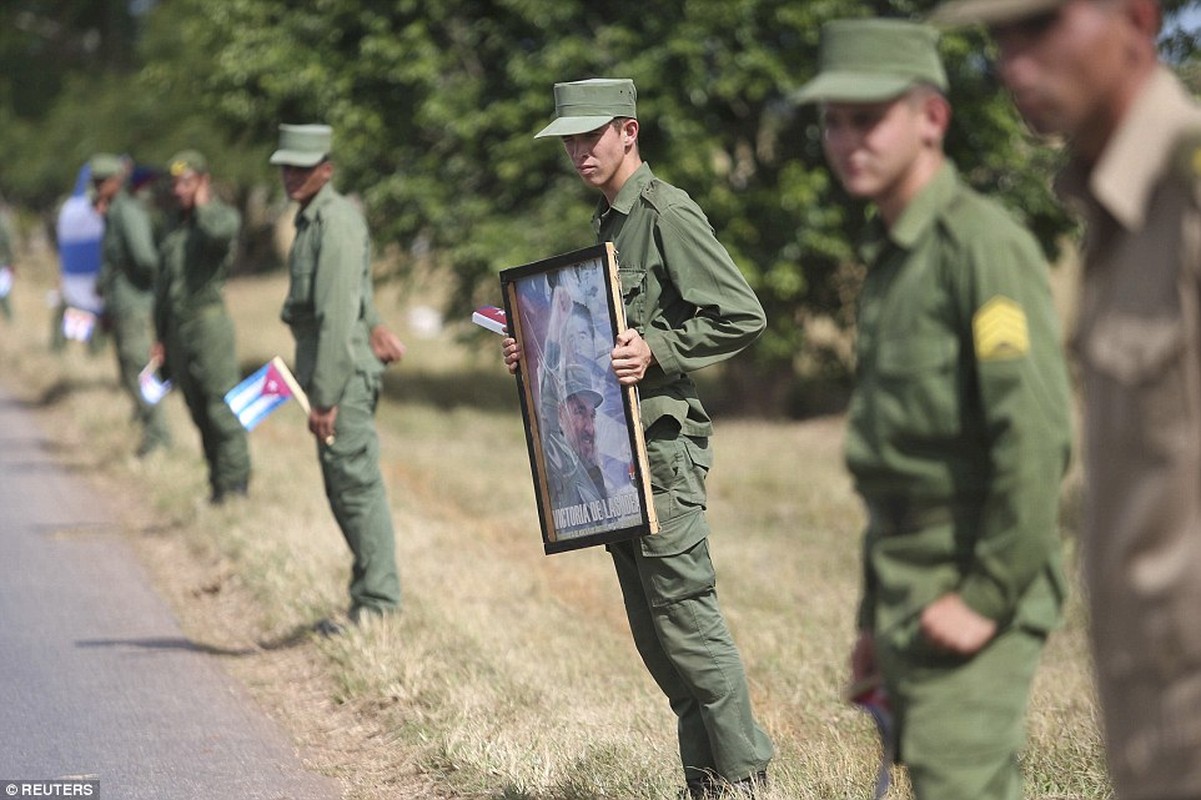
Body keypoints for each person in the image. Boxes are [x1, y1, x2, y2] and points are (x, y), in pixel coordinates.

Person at [792, 19, 1073, 799]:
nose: (848, 140)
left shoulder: (979, 248)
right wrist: (871, 621)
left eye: (869, 117)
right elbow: (891, 468)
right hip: (907, 584)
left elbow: (1036, 437)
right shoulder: (888, 262)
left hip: (974, 577)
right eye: (834, 121)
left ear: (930, 119)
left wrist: (984, 599)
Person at [931, 1, 1201, 797]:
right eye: (997, 37)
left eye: (1041, 26)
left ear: (1136, 17)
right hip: (1153, 719)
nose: (1011, 63)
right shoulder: (1114, 207)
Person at [503, 78, 774, 798]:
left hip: (658, 452)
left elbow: (740, 315)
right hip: (616, 455)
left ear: (629, 130)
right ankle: (707, 785)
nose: (578, 150)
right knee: (658, 642)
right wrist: (536, 349)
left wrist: (657, 347)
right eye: (568, 139)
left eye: (591, 135)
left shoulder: (664, 213)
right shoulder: (609, 222)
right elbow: (597, 333)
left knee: (687, 623)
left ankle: (746, 777)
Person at [270, 123, 403, 630]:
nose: (291, 176)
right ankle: (368, 599)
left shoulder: (336, 221)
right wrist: (378, 325)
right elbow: (357, 300)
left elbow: (335, 315)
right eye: (286, 166)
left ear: (325, 169)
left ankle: (377, 608)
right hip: (334, 373)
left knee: (355, 488)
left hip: (340, 377)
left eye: (302, 168)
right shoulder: (313, 220)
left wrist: (323, 396)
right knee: (343, 488)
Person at [151, 150, 251, 504]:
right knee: (196, 409)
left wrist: (203, 202)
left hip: (209, 325)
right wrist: (160, 336)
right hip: (178, 331)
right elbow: (163, 287)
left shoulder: (217, 216)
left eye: (187, 182)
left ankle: (236, 485)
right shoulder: (173, 225)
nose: (179, 190)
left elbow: (221, 234)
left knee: (221, 408)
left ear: (204, 182)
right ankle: (217, 485)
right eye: (176, 183)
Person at [91, 152, 172, 457]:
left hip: (135, 303)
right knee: (128, 370)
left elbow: (145, 259)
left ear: (116, 181)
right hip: (122, 303)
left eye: (103, 181)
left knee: (140, 370)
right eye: (95, 181)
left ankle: (159, 436)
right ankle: (149, 430)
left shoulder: (126, 211)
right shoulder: (114, 211)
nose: (98, 187)